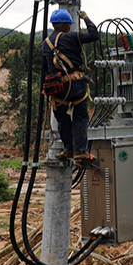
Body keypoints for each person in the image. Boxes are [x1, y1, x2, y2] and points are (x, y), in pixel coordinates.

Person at [41, 8, 100, 163]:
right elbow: (94, 35)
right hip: (75, 85)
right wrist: (86, 19)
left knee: (63, 119)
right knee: (80, 116)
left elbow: (46, 68)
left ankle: (68, 149)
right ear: (66, 25)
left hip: (57, 88)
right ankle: (80, 151)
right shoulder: (71, 37)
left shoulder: (45, 44)